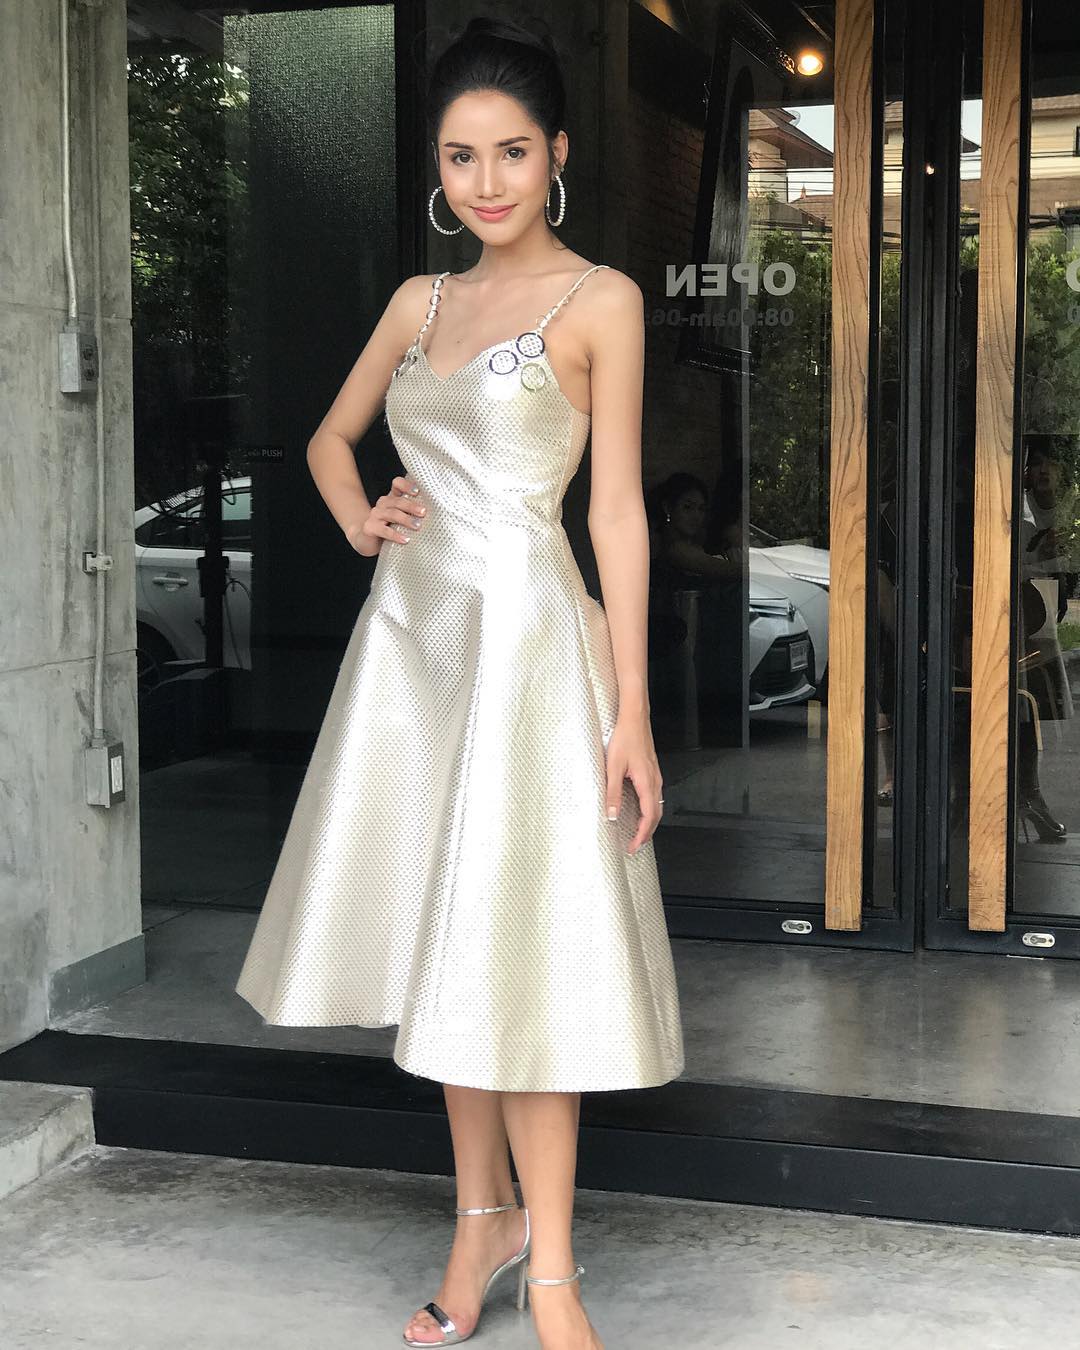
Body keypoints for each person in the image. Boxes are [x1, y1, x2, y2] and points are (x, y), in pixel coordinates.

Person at [233, 16, 684, 1350]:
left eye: (512, 152)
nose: (487, 181)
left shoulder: (601, 302)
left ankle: (553, 1274)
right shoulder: (417, 303)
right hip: (415, 652)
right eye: (461, 156)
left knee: (518, 949)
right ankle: (481, 1220)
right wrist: (359, 519)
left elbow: (616, 515)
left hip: (533, 650)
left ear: (558, 156)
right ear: (438, 168)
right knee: (447, 945)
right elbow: (330, 437)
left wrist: (634, 710)